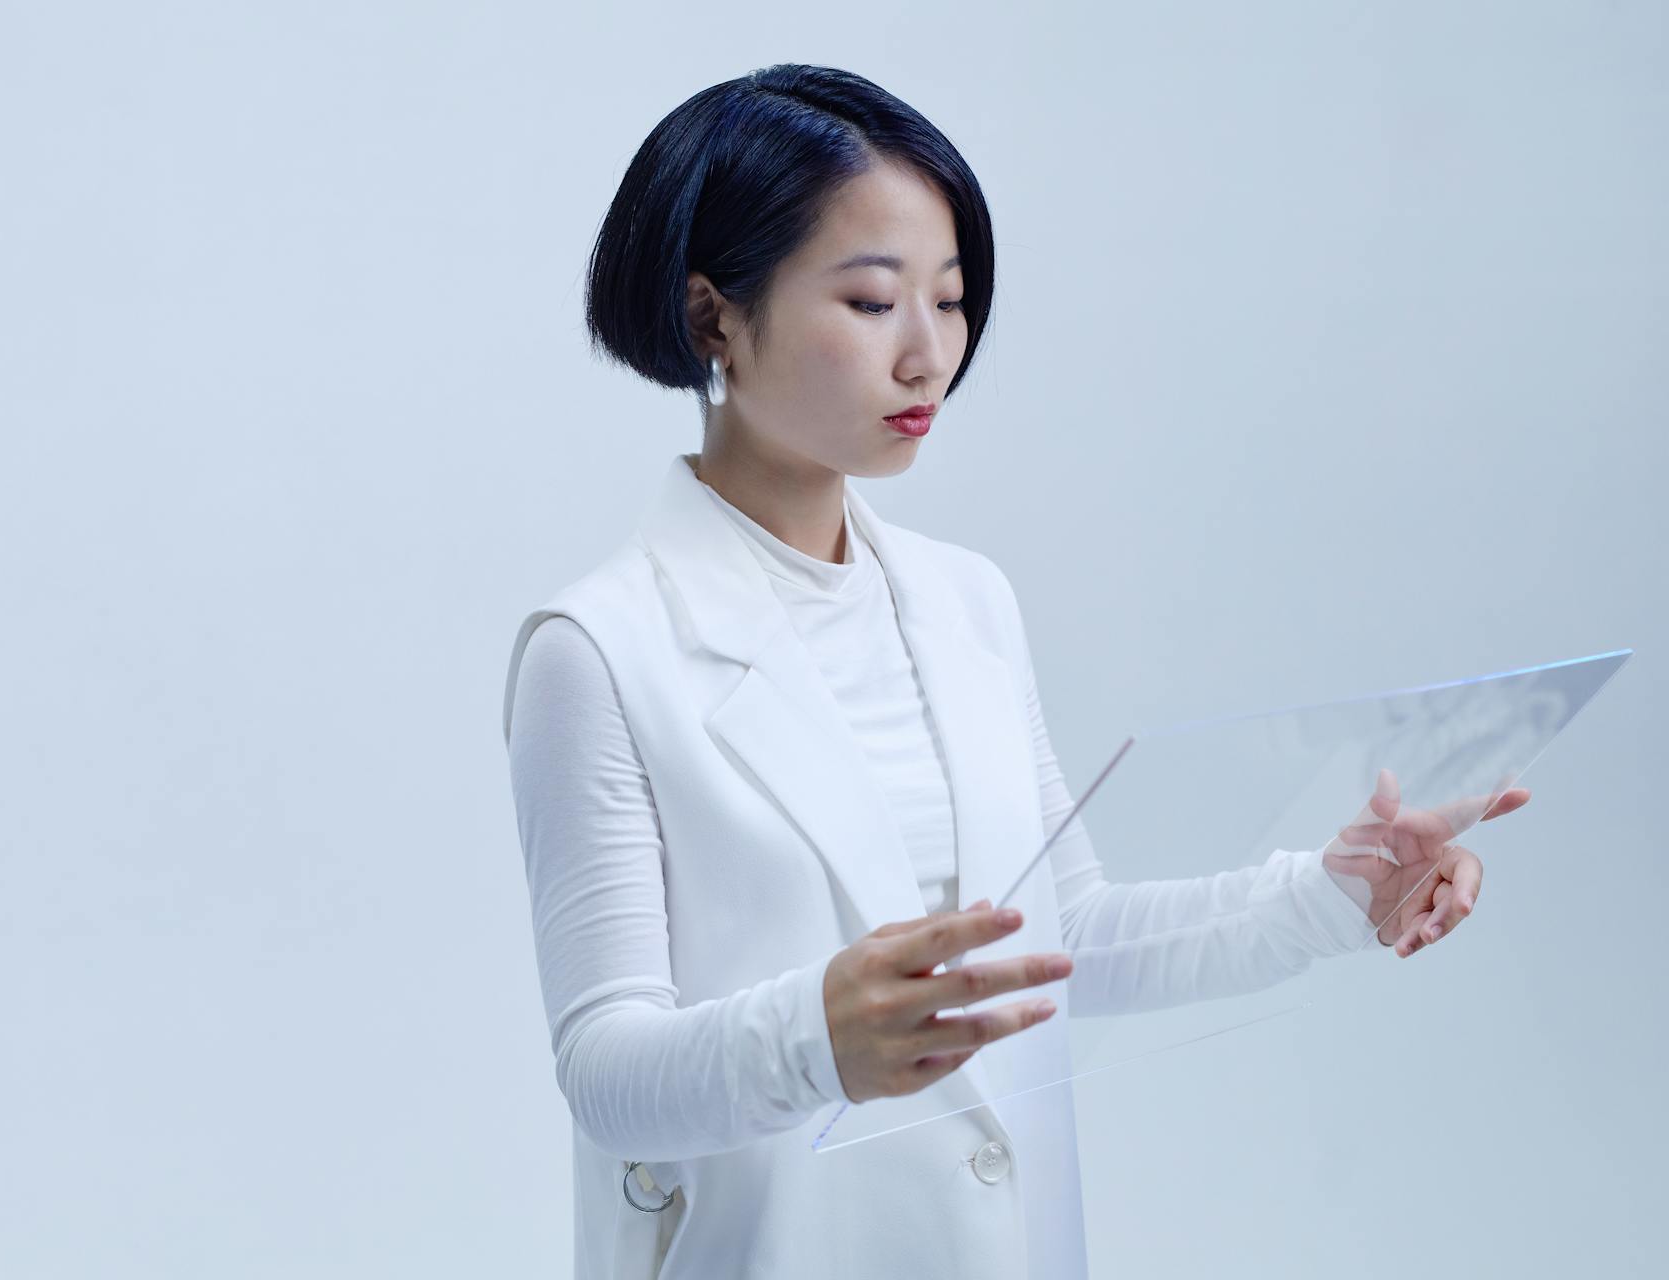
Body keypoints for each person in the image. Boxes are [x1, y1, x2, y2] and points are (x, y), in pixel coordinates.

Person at [501, 64, 1529, 1279]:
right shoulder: (597, 649)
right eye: (875, 302)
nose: (930, 353)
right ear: (714, 315)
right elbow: (606, 1069)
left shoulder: (966, 601)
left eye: (952, 296)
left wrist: (1335, 894)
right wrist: (815, 1038)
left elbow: (1068, 935)